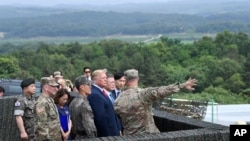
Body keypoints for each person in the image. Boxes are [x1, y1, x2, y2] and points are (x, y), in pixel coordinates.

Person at [114, 69, 197, 135]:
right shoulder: (142, 94)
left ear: (125, 80)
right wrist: (182, 85)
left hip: (129, 136)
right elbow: (160, 91)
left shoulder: (119, 98)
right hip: (147, 135)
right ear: (138, 79)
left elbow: (117, 114)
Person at [87, 69, 121, 137]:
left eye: (106, 78)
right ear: (96, 80)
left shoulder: (101, 92)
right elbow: (100, 118)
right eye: (103, 78)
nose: (106, 80)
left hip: (113, 131)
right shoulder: (95, 94)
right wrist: (107, 136)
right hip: (108, 134)